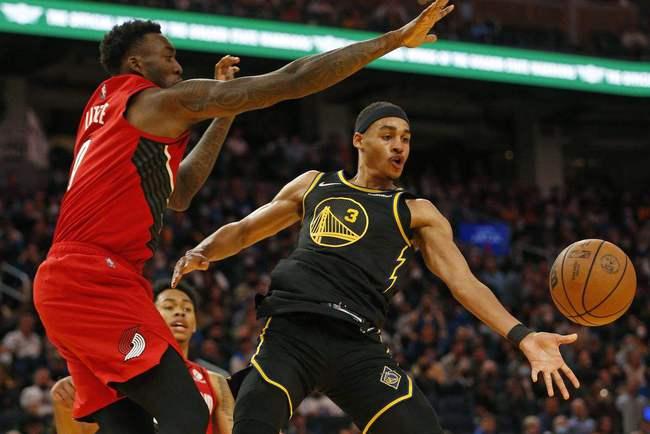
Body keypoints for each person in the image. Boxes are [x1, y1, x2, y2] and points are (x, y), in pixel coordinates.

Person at [32, 1, 454, 433]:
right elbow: (291, 79)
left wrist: (223, 109)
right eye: (169, 55)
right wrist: (393, 40)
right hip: (95, 279)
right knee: (188, 413)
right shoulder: (157, 101)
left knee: (132, 426)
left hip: (70, 278)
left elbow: (180, 192)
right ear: (137, 63)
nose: (178, 65)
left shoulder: (105, 107)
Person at [173, 101, 581, 434]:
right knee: (251, 424)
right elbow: (245, 230)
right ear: (359, 140)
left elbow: (463, 282)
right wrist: (203, 249)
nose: (399, 146)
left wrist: (523, 336)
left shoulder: (417, 212)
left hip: (358, 346)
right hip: (291, 335)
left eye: (405, 138)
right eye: (387, 136)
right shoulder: (314, 185)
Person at [49, 280, 235, 434]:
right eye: (169, 307)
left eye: (187, 309)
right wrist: (63, 408)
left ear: (195, 324)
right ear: (149, 317)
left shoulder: (215, 381)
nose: (179, 312)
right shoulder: (115, 376)